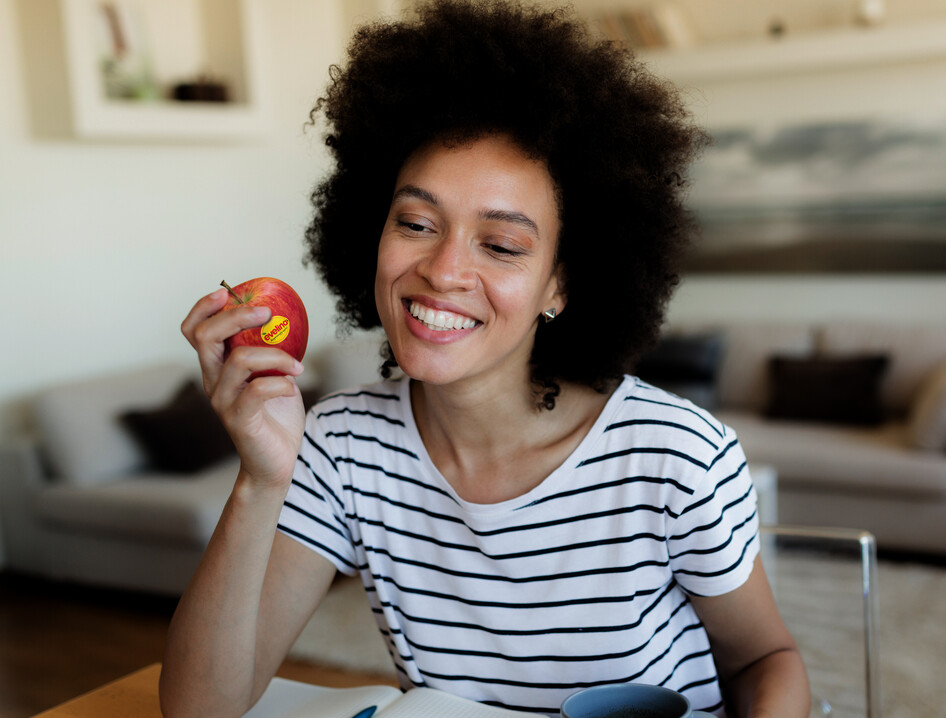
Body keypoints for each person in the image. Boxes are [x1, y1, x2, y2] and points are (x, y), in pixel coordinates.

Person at [160, 1, 811, 716]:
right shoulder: (339, 447)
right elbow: (199, 709)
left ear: (559, 282)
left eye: (499, 245)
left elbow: (764, 660)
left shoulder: (672, 455)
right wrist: (260, 479)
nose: (442, 271)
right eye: (415, 223)